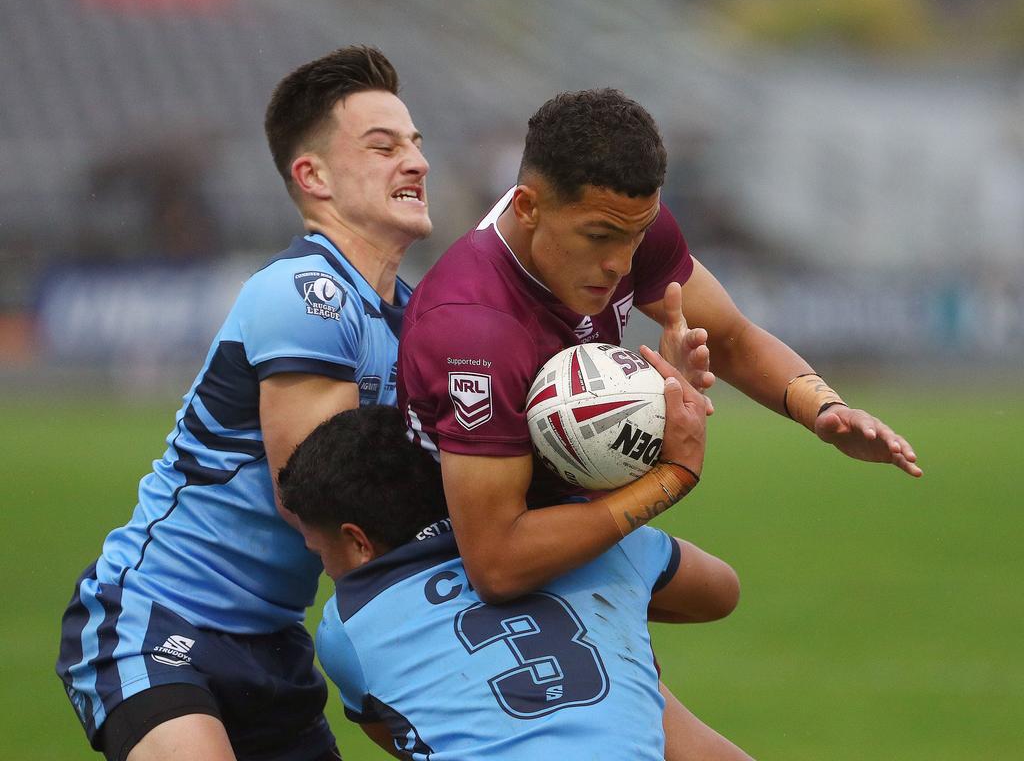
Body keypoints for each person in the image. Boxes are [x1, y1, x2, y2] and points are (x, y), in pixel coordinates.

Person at [398, 88, 920, 758]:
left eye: (637, 235)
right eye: (602, 238)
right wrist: (668, 475)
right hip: (452, 562)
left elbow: (726, 336)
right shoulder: (475, 326)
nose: (620, 262)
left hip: (550, 507)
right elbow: (496, 562)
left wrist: (822, 408)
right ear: (527, 207)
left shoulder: (614, 219)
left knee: (717, 591)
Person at [55, 45, 430, 761]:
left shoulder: (413, 317)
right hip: (157, 618)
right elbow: (315, 494)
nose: (415, 162)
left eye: (414, 143)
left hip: (270, 645)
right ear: (311, 175)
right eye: (383, 146)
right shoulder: (306, 294)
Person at [279, 394, 745, 760]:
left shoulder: (349, 626)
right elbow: (722, 592)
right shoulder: (595, 544)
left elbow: (414, 737)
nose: (320, 564)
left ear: (359, 541)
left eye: (320, 551)